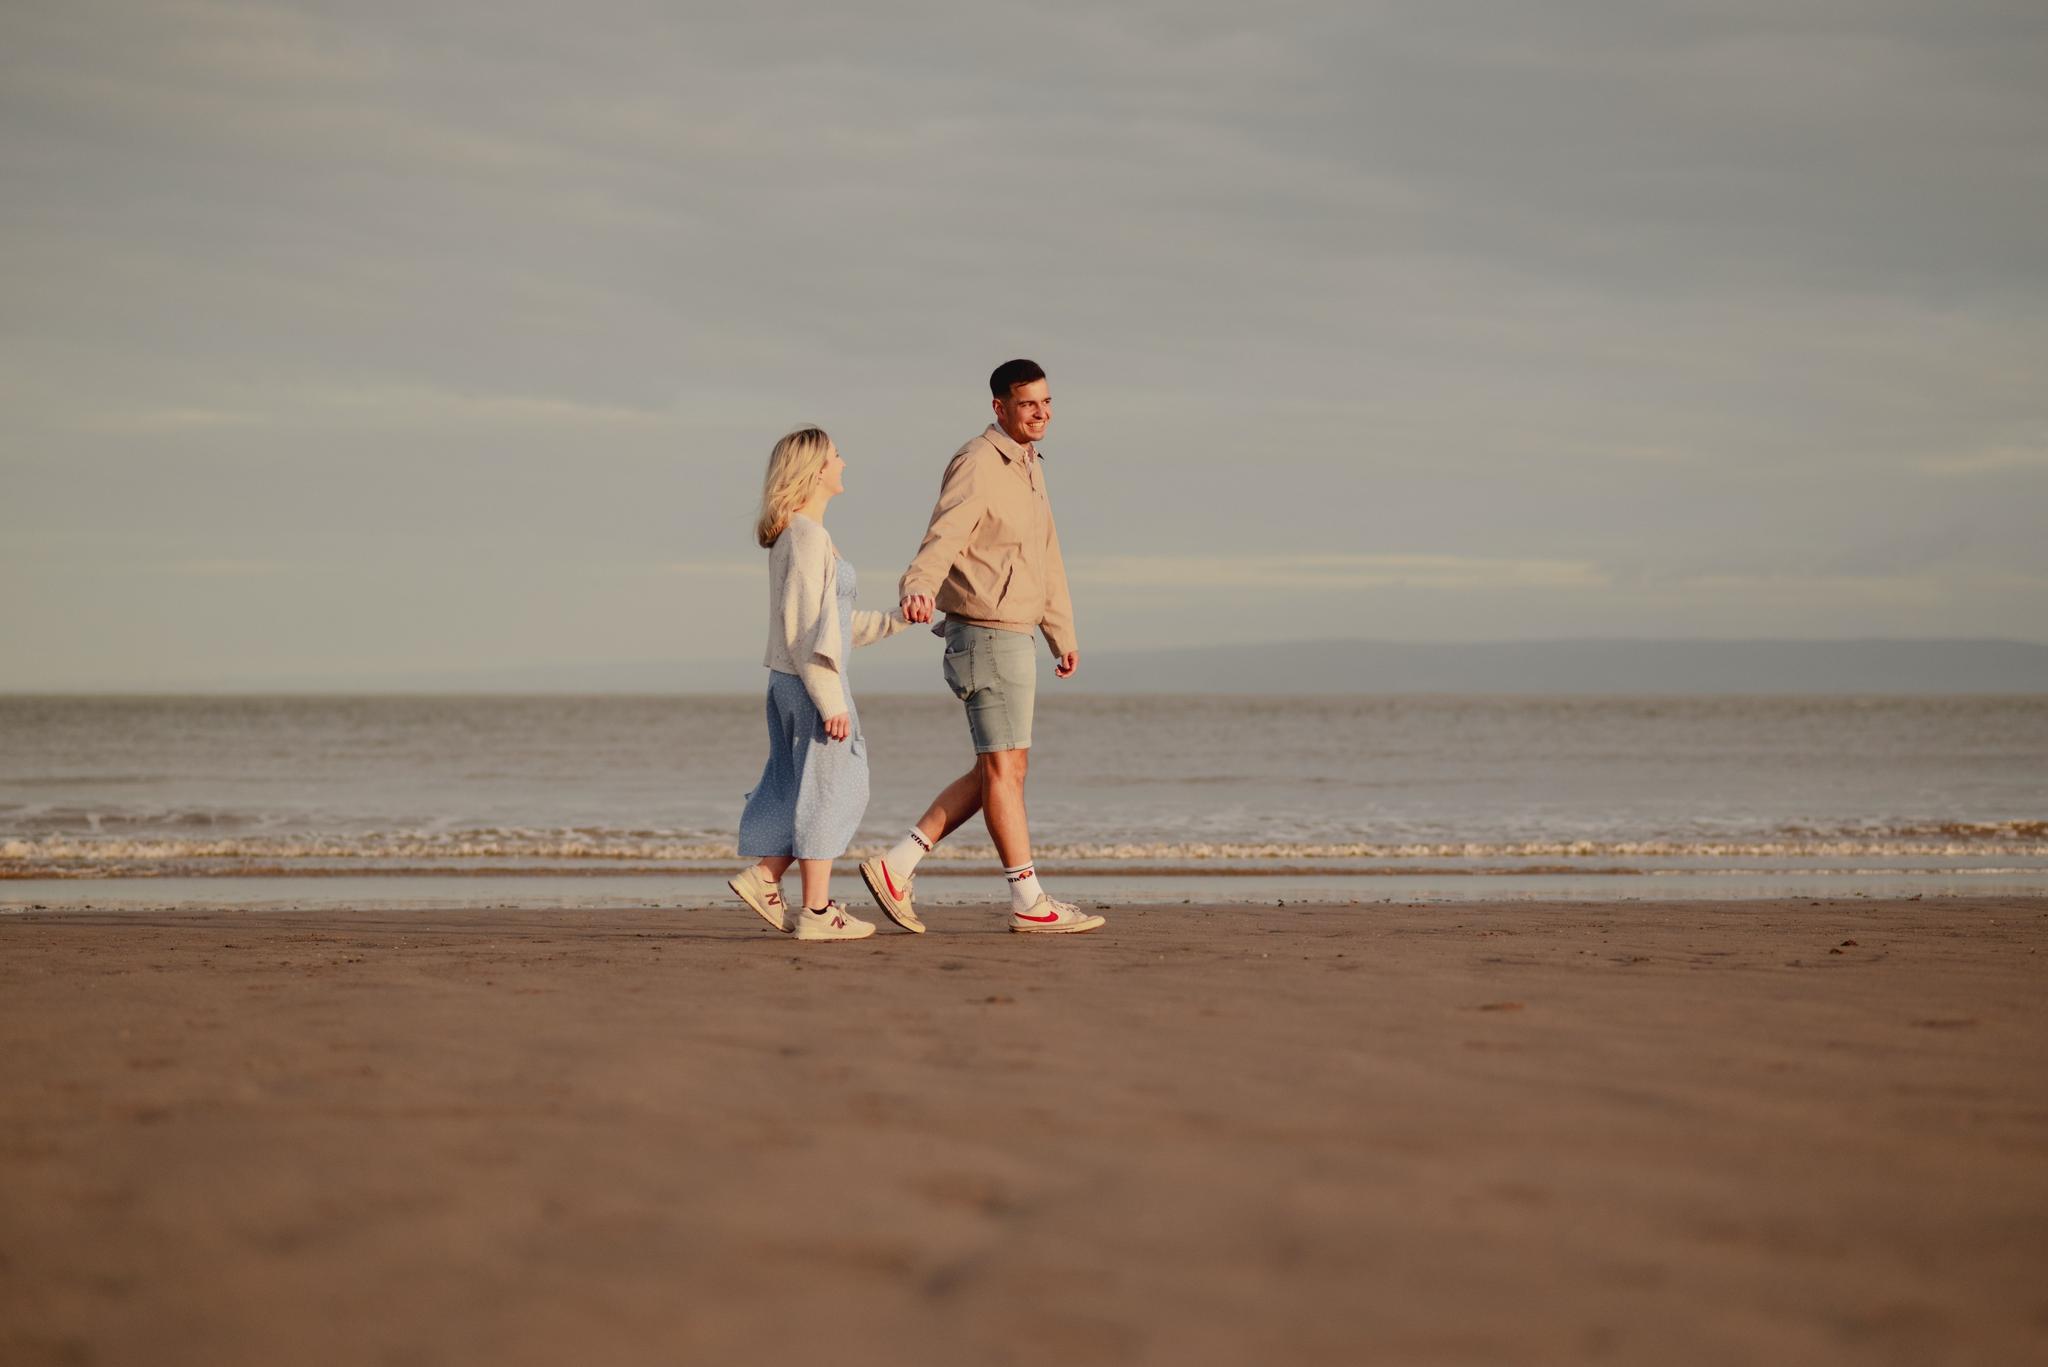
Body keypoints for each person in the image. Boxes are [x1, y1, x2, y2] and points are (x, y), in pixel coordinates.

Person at [858, 360, 1106, 935]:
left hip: (1014, 632)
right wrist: (917, 586)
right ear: (999, 407)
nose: (1041, 413)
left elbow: (1047, 558)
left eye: (1047, 403)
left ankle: (896, 867)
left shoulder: (1028, 466)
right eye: (1028, 404)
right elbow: (943, 533)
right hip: (985, 631)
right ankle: (1028, 899)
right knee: (1003, 769)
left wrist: (1061, 634)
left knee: (1000, 767)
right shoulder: (978, 461)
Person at [729, 426, 910, 941]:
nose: (844, 463)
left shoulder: (798, 535)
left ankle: (766, 878)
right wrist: (831, 700)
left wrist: (899, 619)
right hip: (813, 684)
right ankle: (816, 910)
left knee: (803, 789)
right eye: (836, 456)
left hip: (792, 681)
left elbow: (836, 623)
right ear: (814, 470)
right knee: (836, 789)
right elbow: (810, 628)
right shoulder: (808, 536)